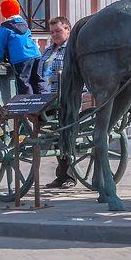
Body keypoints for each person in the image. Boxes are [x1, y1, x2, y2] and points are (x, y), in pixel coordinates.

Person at [40, 16, 77, 189]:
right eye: (52, 32)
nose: (55, 34)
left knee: (65, 133)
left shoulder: (72, 50)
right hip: (48, 98)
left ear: (68, 30)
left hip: (67, 97)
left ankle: (68, 176)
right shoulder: (49, 51)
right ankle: (61, 176)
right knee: (56, 136)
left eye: (59, 31)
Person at [0, 0, 43, 94]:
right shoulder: (24, 25)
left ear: (3, 12)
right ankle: (43, 105)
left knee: (24, 84)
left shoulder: (4, 29)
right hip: (36, 55)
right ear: (18, 10)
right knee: (37, 82)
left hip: (21, 58)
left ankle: (28, 106)